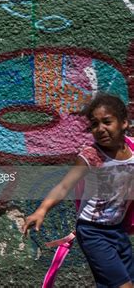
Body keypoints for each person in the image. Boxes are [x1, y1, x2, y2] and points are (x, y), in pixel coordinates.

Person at [23, 93, 134, 288]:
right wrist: (41, 210)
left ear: (124, 123)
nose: (100, 129)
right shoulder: (90, 157)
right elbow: (64, 186)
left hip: (117, 229)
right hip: (92, 231)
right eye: (94, 124)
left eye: (107, 122)